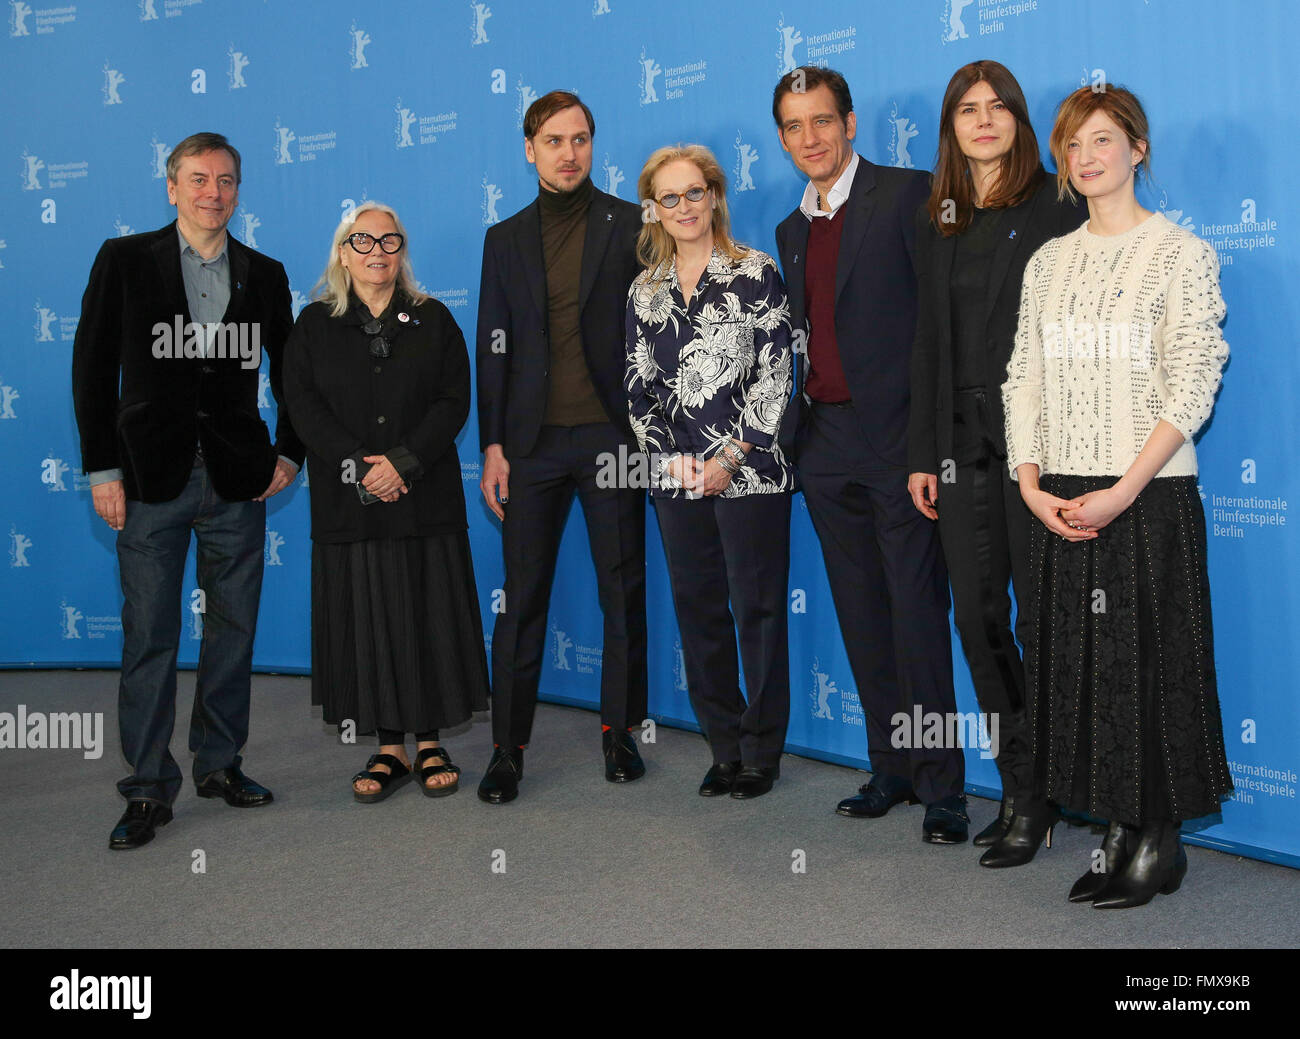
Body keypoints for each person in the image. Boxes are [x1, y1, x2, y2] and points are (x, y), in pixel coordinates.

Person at [1000, 84, 1232, 906]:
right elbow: (1023, 375)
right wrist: (1029, 483)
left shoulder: (1181, 254)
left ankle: (1159, 838)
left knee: (1151, 665)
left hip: (1148, 495)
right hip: (1059, 494)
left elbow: (1193, 381)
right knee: (1079, 669)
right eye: (1073, 145)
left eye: (1104, 139)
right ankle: (1118, 828)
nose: (1087, 156)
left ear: (1138, 148)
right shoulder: (1048, 260)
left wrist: (1124, 489)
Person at [71, 132, 303, 849]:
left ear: (239, 190)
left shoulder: (264, 273)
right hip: (148, 478)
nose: (213, 192)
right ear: (171, 188)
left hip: (239, 477)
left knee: (233, 629)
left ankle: (220, 764)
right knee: (150, 635)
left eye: (226, 180)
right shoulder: (124, 260)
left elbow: (292, 372)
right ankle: (146, 787)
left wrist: (289, 452)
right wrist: (103, 469)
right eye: (198, 179)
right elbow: (92, 363)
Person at [772, 67, 968, 843]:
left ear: (850, 124)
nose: (810, 138)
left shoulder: (909, 194)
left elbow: (938, 327)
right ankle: (891, 764)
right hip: (825, 444)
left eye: (823, 121)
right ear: (783, 138)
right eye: (794, 126)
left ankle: (943, 785)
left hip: (901, 445)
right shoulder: (791, 230)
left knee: (917, 611)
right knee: (861, 610)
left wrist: (928, 445)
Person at [906, 61, 1088, 852]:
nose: (983, 121)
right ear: (950, 126)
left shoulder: (1057, 202)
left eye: (998, 108)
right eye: (966, 110)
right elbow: (927, 343)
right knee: (979, 620)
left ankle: (1064, 784)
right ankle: (1023, 791)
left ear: (1019, 117)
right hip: (958, 446)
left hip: (1039, 449)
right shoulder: (936, 214)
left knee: (1049, 619)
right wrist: (922, 452)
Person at [475, 90, 648, 803]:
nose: (569, 152)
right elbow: (492, 347)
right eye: (554, 140)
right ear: (529, 148)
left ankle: (620, 734)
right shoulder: (503, 238)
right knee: (521, 601)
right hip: (532, 447)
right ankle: (507, 749)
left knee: (623, 593)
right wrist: (491, 443)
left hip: (613, 438)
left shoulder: (633, 223)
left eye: (580, 138)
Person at [283, 202, 489, 801]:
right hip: (351, 505)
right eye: (363, 240)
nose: (377, 251)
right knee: (368, 619)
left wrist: (400, 464)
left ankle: (429, 743)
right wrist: (359, 469)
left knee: (427, 614)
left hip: (424, 498)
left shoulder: (435, 319)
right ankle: (388, 749)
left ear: (402, 252)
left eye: (389, 240)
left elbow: (453, 402)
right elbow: (302, 407)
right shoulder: (313, 325)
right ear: (343, 253)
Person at [626, 145, 794, 800]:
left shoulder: (756, 272)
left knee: (757, 610)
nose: (685, 207)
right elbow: (639, 390)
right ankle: (722, 745)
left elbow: (776, 376)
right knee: (699, 611)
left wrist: (728, 458)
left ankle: (761, 749)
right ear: (653, 209)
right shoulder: (644, 292)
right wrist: (676, 461)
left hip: (750, 474)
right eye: (670, 197)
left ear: (715, 196)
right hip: (676, 480)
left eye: (695, 192)